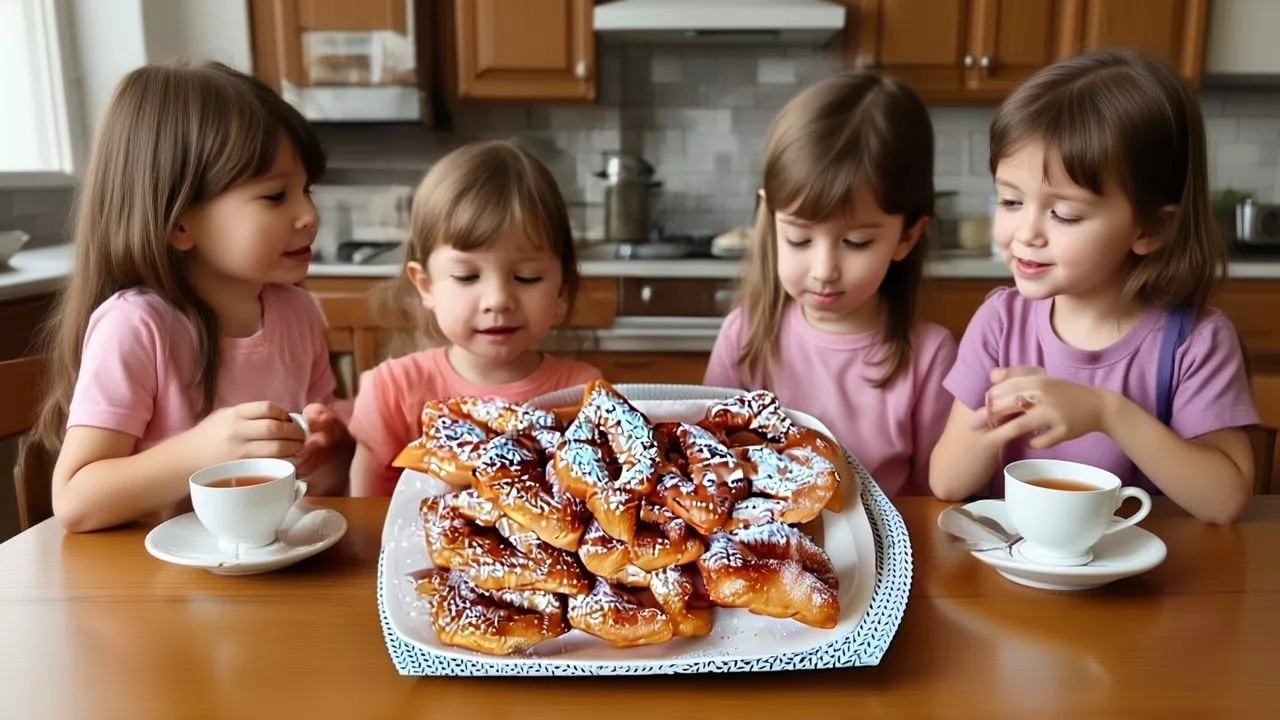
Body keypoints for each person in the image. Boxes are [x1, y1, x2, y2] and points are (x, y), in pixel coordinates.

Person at [929, 50, 1259, 524]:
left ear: (1151, 229)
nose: (1026, 234)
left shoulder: (1194, 341)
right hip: (1018, 572)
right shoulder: (1001, 322)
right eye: (1009, 201)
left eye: (1064, 214)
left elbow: (1226, 501)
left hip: (1149, 586)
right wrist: (997, 419)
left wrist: (1108, 413)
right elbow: (946, 480)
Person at [37, 61, 351, 533]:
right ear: (180, 222)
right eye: (275, 196)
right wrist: (203, 451)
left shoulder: (299, 312)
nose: (309, 214)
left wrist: (328, 451)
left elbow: (321, 485)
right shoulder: (136, 326)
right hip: (148, 587)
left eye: (305, 190)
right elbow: (75, 499)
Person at [703, 71, 957, 496]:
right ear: (771, 219)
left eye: (856, 242)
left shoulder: (930, 359)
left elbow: (929, 506)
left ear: (907, 236)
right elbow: (710, 463)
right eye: (799, 238)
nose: (824, 269)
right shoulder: (744, 335)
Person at [347, 140, 602, 496]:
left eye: (527, 277)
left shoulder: (583, 394)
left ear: (561, 291)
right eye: (467, 276)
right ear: (426, 286)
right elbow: (370, 517)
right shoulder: (392, 391)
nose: (498, 300)